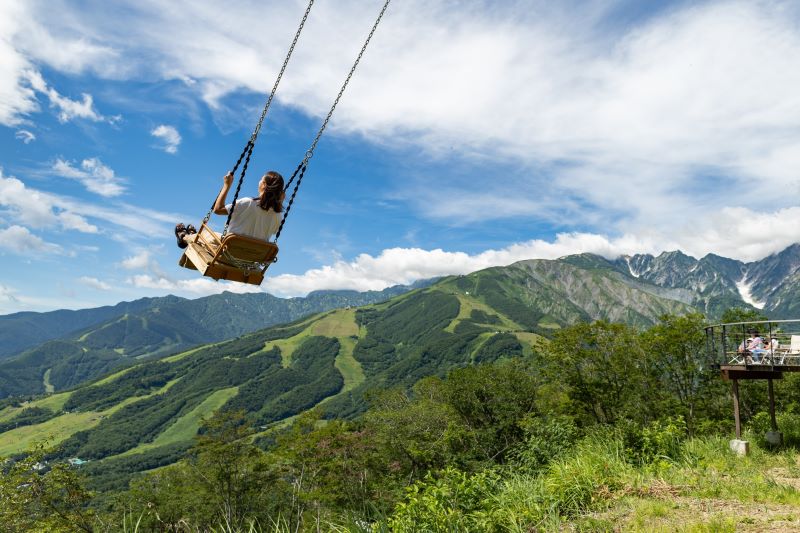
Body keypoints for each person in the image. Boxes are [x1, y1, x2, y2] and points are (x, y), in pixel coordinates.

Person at [175, 170, 285, 248]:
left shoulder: (248, 203)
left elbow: (218, 209)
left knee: (203, 235)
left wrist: (227, 185)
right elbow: (266, 218)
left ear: (264, 185)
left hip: (229, 252)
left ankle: (184, 236)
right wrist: (279, 202)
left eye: (261, 180)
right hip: (251, 260)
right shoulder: (278, 216)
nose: (259, 181)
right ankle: (191, 235)